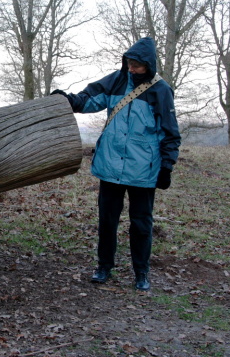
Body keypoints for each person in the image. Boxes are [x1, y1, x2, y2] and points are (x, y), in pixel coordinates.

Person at [52, 37, 181, 291]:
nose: (131, 69)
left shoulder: (161, 90)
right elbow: (90, 99)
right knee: (107, 220)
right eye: (129, 64)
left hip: (143, 170)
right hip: (110, 166)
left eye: (137, 66)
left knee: (141, 224)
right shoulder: (117, 80)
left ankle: (141, 272)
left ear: (149, 65)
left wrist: (167, 166)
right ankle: (104, 266)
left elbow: (170, 132)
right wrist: (68, 100)